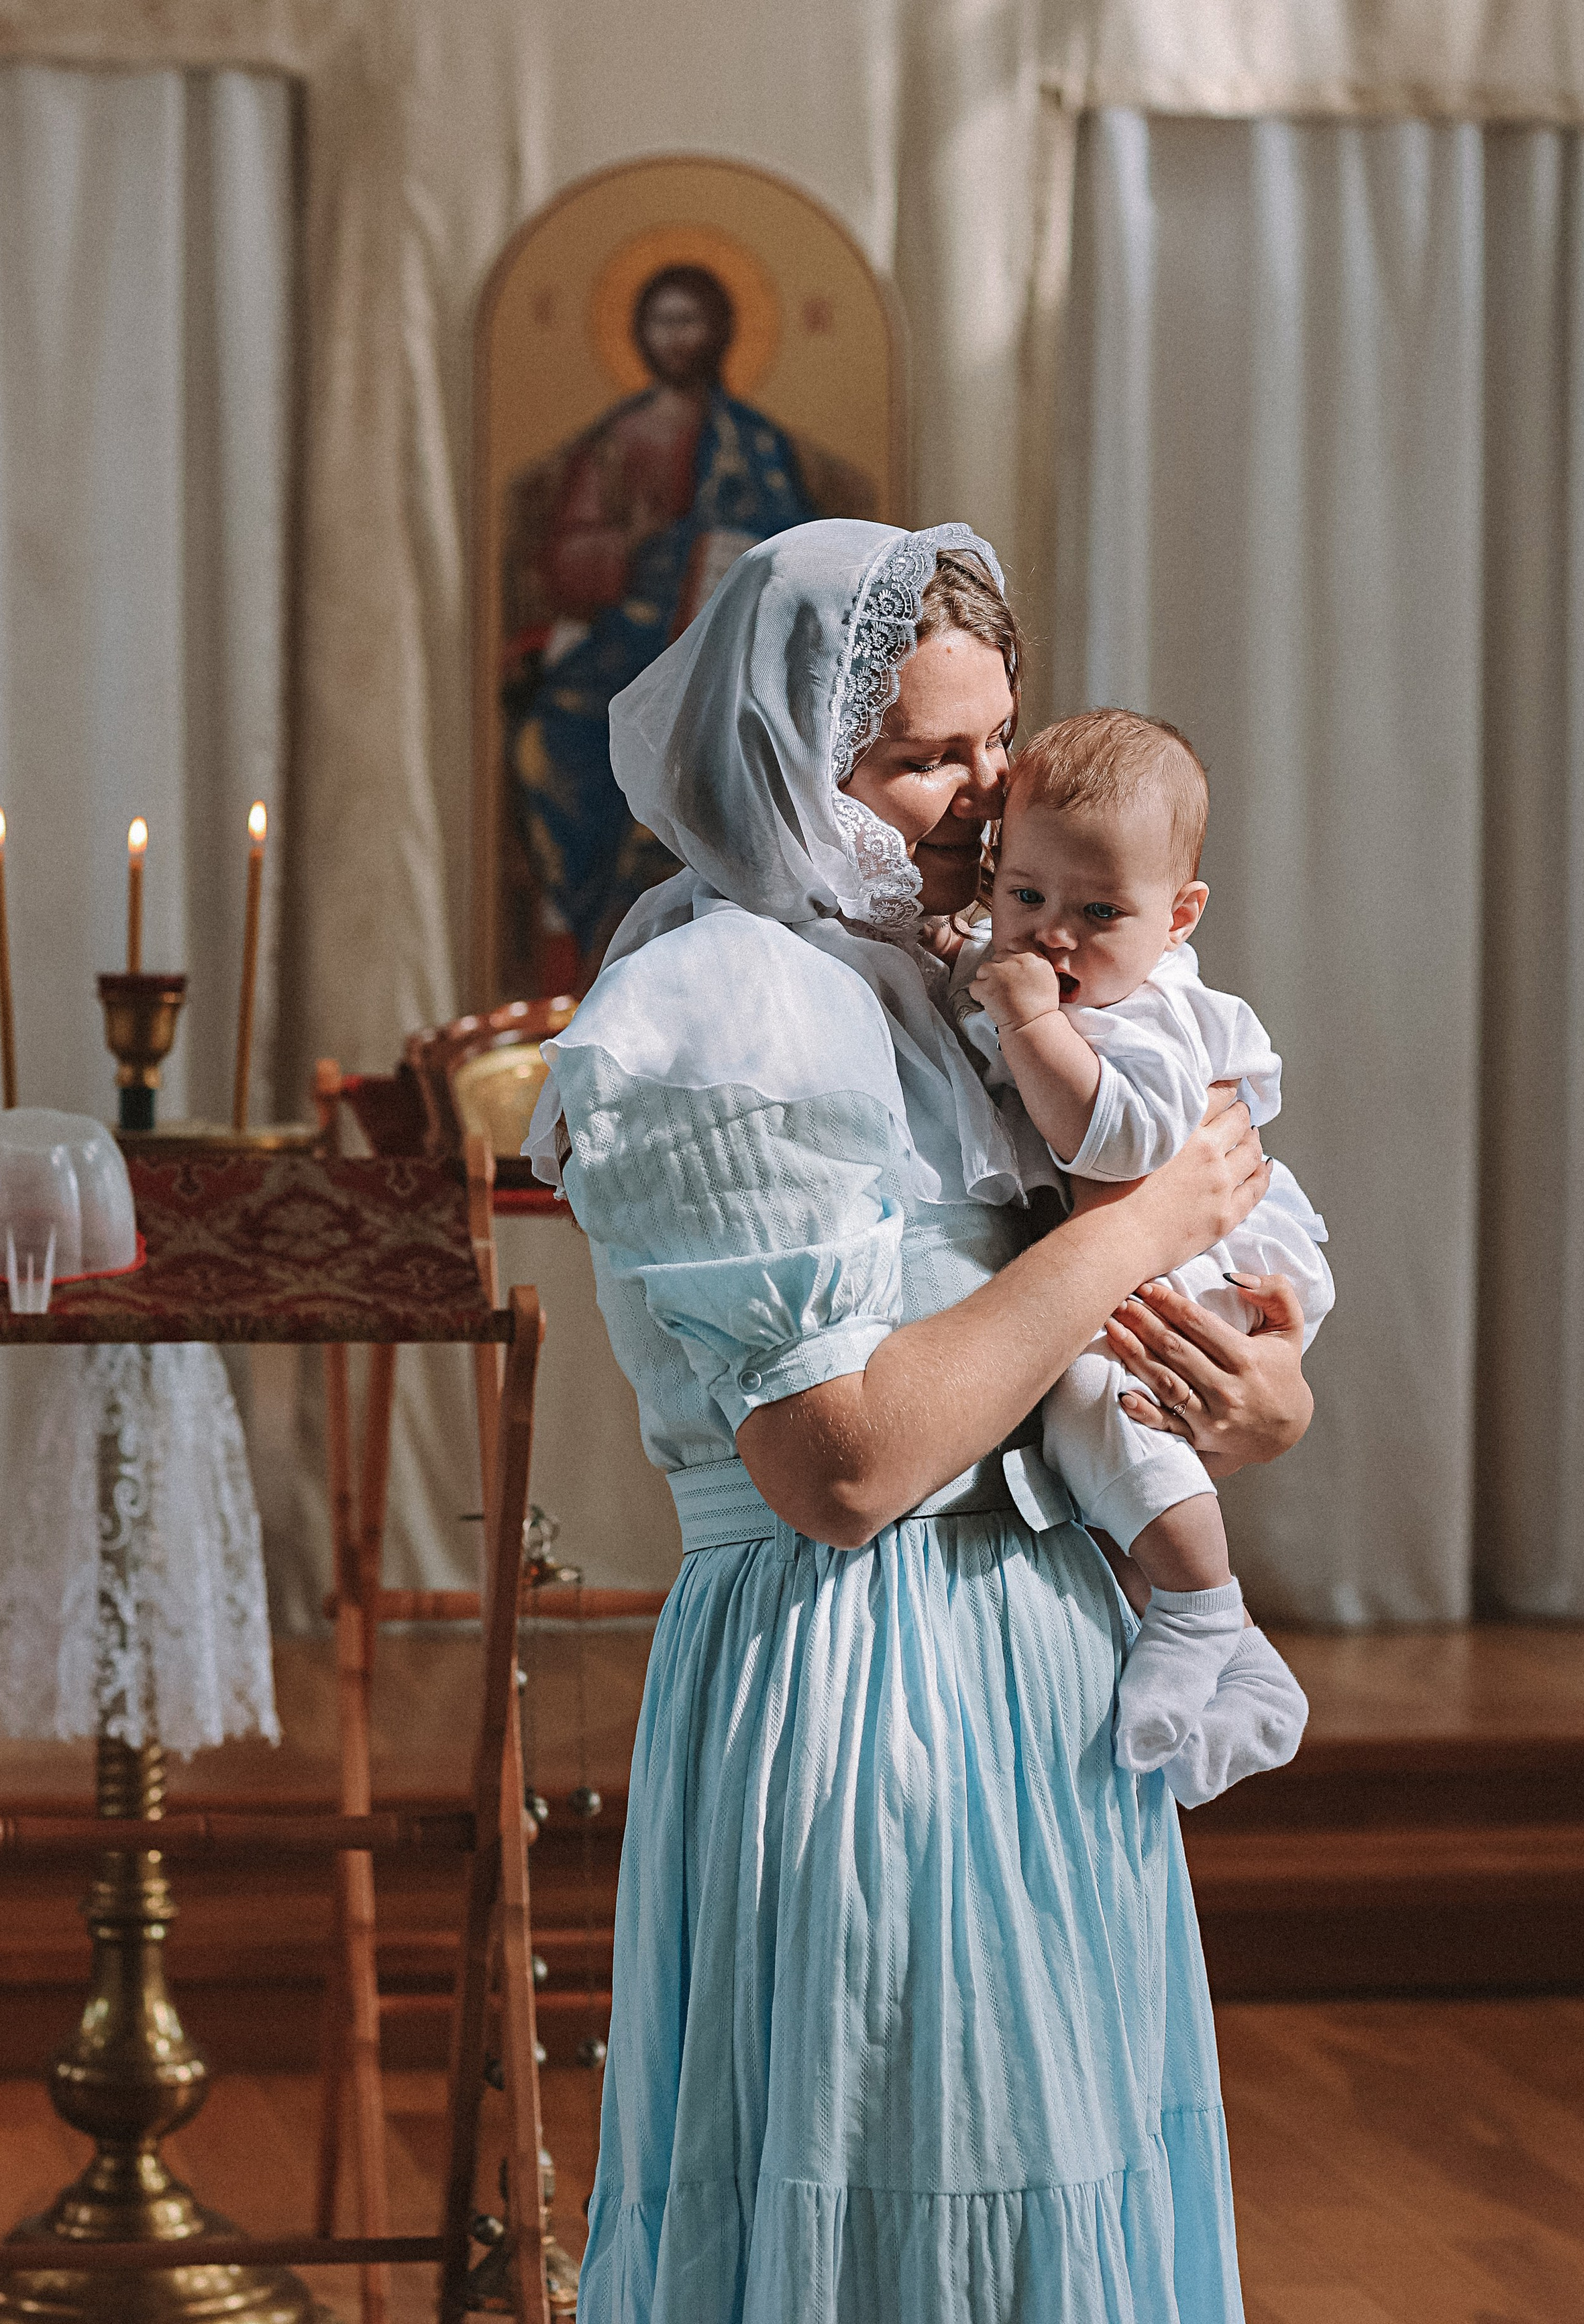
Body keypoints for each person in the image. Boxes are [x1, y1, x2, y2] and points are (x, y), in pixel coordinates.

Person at [527, 519, 1315, 2321]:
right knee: (896, 2214)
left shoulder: (982, 985)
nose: (981, 801)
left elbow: (1110, 1342)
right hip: (858, 1687)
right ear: (794, 767)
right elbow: (850, 1467)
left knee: (1048, 2214)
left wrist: (1253, 1395)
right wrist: (1141, 1223)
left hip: (1047, 1668)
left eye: (994, 742)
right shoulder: (724, 1010)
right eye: (921, 760)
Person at [955, 708, 1333, 1790]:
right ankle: (1236, 1658)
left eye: (1099, 911)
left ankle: (1204, 1607)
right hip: (1151, 1267)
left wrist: (1032, 1029)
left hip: (1201, 1281)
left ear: (1178, 919)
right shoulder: (1058, 973)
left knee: (1093, 1410)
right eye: (1024, 897)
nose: (1053, 937)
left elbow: (1117, 1147)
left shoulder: (1152, 1016)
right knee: (1098, 1465)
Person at [503, 263, 867, 989]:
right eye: (661, 321)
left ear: (723, 333)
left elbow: (800, 555)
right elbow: (567, 560)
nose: (676, 338)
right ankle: (586, 936)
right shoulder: (615, 441)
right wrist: (628, 547)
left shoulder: (756, 443)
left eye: (690, 321)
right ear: (638, 334)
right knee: (548, 744)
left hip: (724, 653)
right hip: (626, 646)